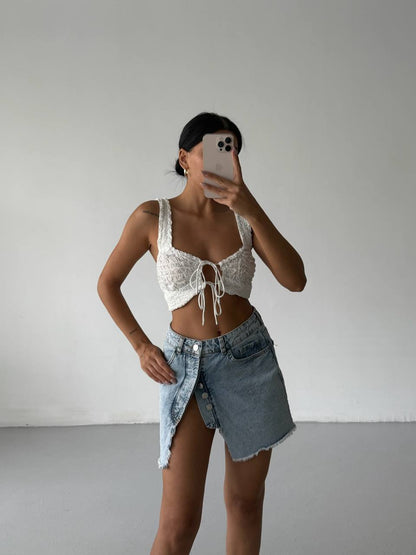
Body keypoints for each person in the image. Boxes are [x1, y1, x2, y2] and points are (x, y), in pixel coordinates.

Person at [97, 112, 307, 555]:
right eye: (211, 150)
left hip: (249, 361)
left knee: (246, 504)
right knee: (178, 523)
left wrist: (250, 206)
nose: (222, 160)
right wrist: (140, 345)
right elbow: (108, 283)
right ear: (184, 158)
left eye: (230, 151)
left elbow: (295, 279)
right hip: (183, 369)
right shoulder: (152, 216)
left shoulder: (244, 217)